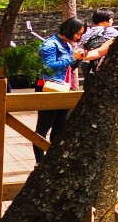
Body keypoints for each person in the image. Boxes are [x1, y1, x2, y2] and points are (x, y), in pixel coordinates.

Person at [30, 16, 85, 160]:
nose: (79, 37)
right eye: (78, 33)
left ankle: (53, 159)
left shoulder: (66, 44)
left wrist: (78, 59)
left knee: (60, 127)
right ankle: (39, 161)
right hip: (48, 87)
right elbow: (48, 67)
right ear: (69, 30)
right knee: (43, 127)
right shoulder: (50, 44)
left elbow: (68, 67)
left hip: (63, 87)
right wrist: (72, 57)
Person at [76, 8, 118, 86]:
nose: (112, 21)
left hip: (85, 61)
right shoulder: (111, 31)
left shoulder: (86, 31)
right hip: (102, 62)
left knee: (89, 83)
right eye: (111, 19)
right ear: (106, 20)